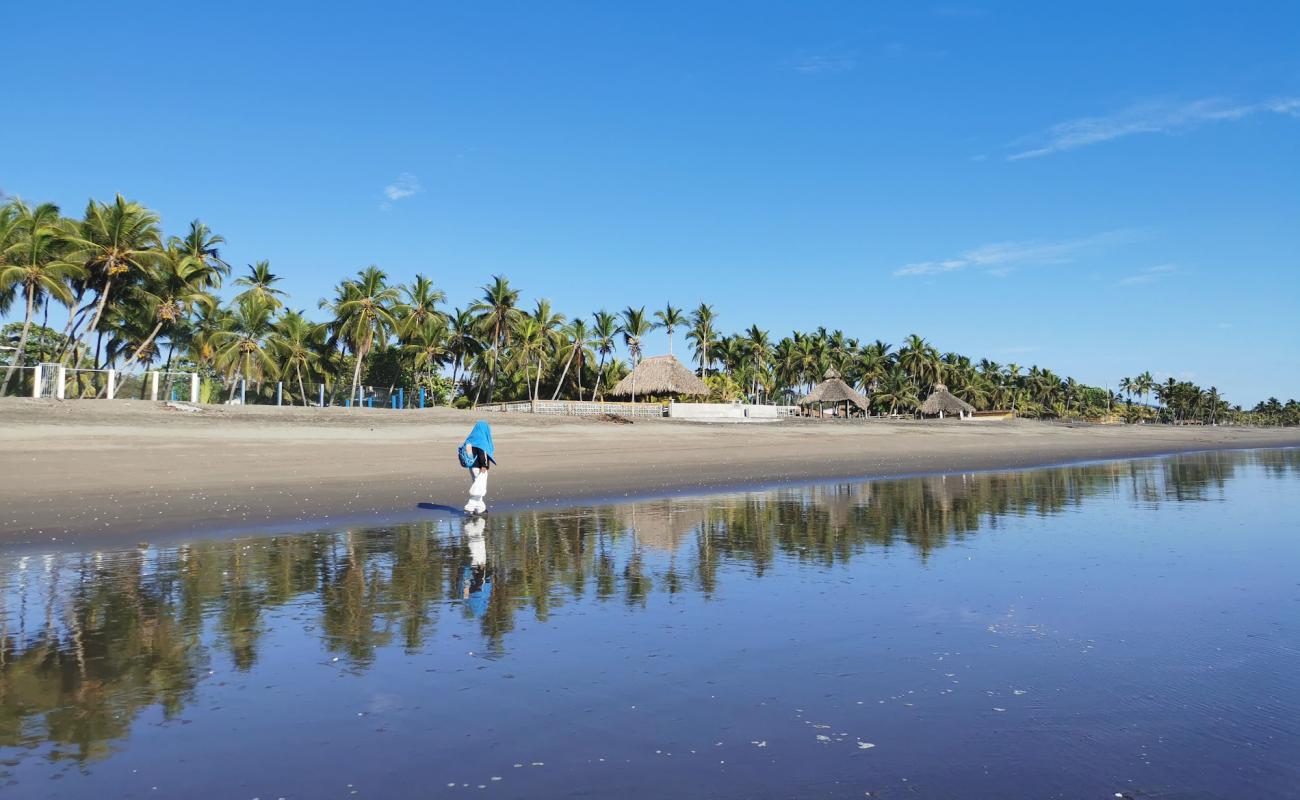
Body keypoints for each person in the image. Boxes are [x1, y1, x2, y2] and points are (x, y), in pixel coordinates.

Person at [460, 420, 496, 514]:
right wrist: (484, 466)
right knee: (480, 488)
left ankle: (481, 509)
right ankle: (470, 507)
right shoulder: (481, 440)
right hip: (480, 468)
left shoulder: (471, 438)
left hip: (472, 467)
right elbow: (482, 453)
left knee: (477, 485)